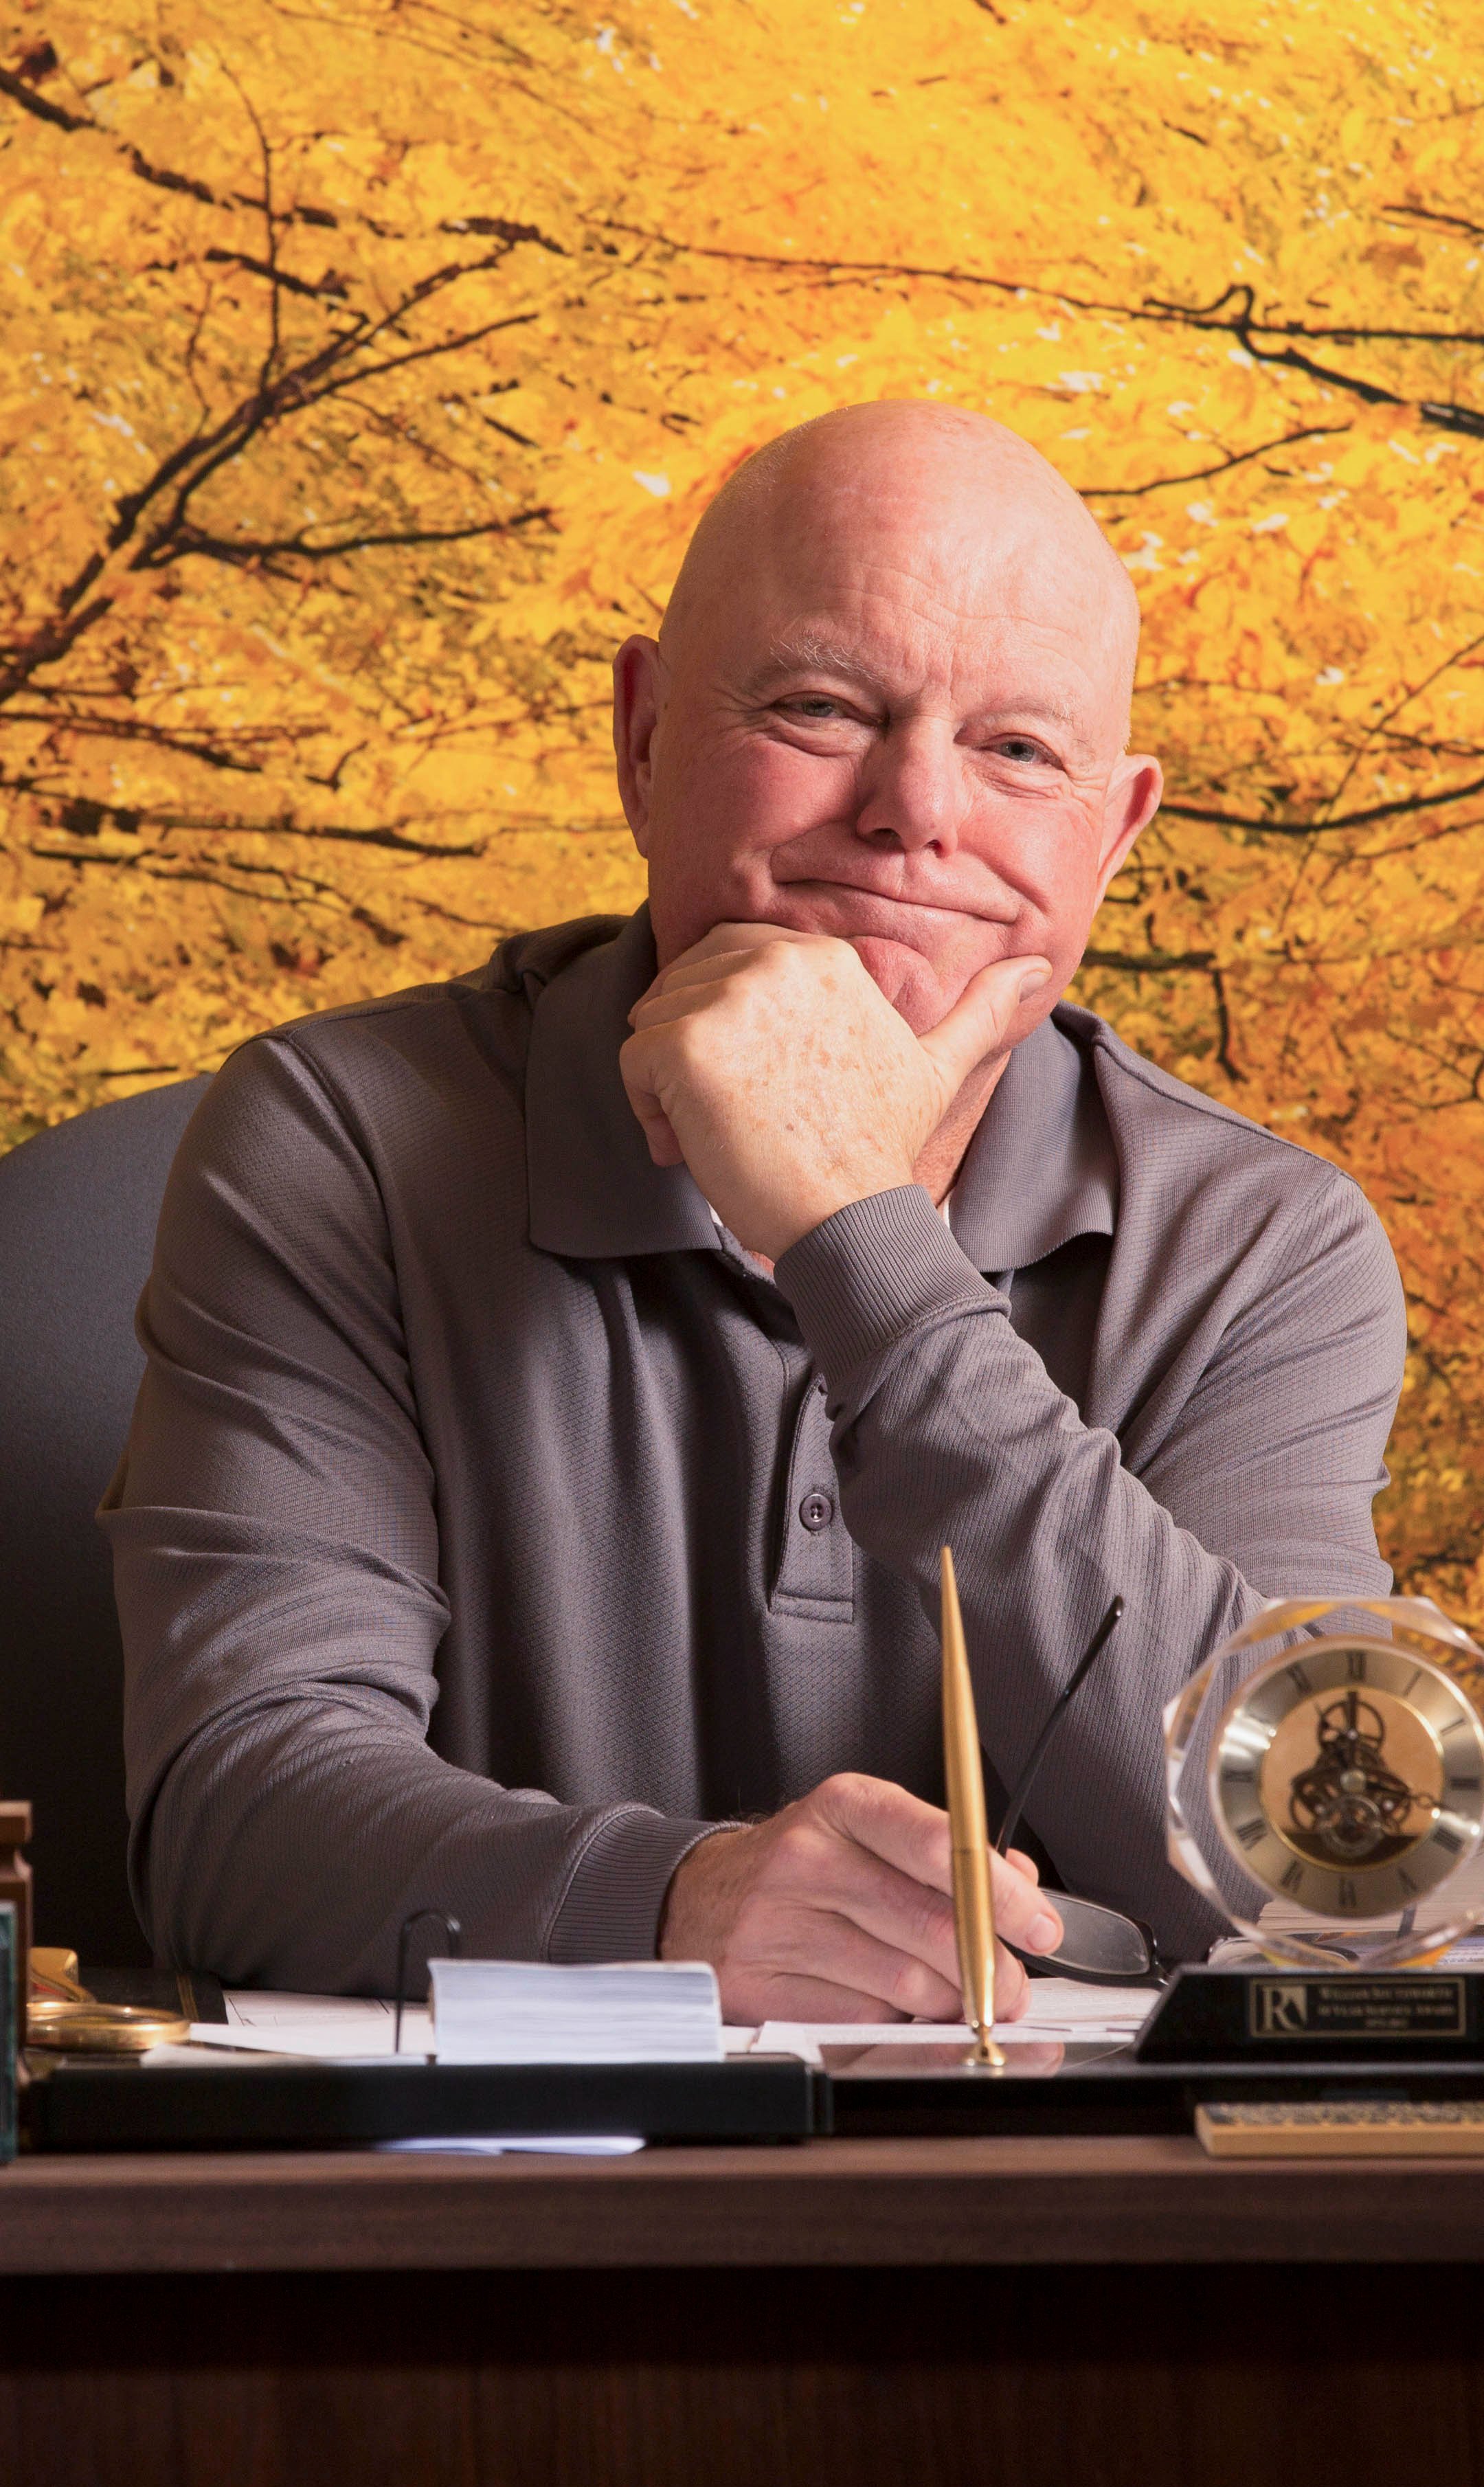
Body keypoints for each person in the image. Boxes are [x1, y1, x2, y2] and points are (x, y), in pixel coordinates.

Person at [102, 402, 1406, 2017]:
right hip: (487, 2234)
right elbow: (237, 1814)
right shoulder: (346, 1143)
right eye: (817, 705)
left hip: (1082, 2241)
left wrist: (859, 1237)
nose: (914, 807)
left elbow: (1333, 1872)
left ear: (1116, 831)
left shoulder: (1268, 1250)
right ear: (644, 738)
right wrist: (669, 1903)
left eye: (1018, 749)